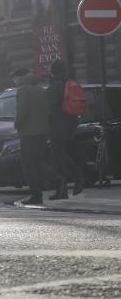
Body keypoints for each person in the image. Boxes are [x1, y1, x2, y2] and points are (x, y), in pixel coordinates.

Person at [47, 59, 85, 199]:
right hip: (70, 124)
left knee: (58, 158)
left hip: (57, 126)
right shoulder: (69, 82)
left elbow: (49, 108)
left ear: (53, 71)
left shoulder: (54, 86)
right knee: (63, 155)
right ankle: (70, 184)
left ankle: (68, 186)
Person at [14, 70, 50, 205]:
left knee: (29, 165)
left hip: (29, 133)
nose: (15, 82)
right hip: (43, 132)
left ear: (19, 78)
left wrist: (17, 125)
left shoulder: (23, 90)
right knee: (38, 162)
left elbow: (22, 112)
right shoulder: (41, 90)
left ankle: (36, 195)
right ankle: (40, 191)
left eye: (15, 79)